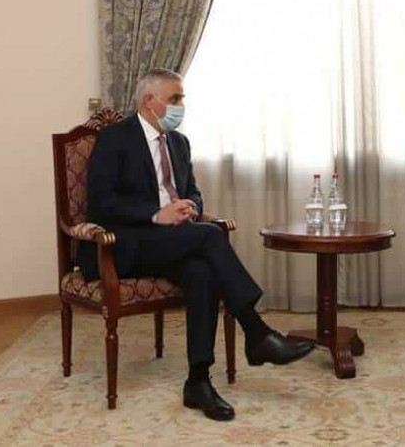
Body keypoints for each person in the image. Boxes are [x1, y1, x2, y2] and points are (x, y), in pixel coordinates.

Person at [78, 68, 315, 421]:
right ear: (149, 101)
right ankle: (256, 332)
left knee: (201, 272)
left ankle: (198, 381)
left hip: (172, 241)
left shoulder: (179, 142)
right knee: (210, 235)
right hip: (122, 245)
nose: (181, 106)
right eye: (174, 98)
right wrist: (158, 213)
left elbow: (193, 192)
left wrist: (190, 206)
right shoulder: (115, 138)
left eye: (182, 98)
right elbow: (101, 202)